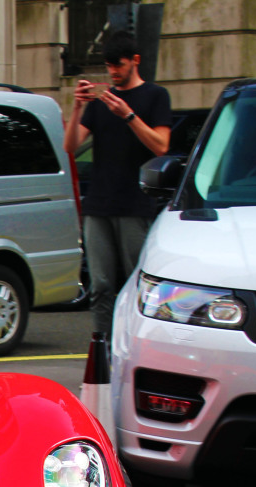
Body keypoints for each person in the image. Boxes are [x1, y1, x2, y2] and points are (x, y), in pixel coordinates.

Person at [64, 30, 173, 337]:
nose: (113, 72)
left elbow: (161, 146)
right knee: (100, 285)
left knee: (137, 282)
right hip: (98, 205)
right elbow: (71, 146)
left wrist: (128, 115)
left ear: (135, 61)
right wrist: (77, 107)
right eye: (109, 66)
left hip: (134, 204)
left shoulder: (155, 96)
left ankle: (139, 343)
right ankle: (103, 348)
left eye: (119, 65)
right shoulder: (101, 103)